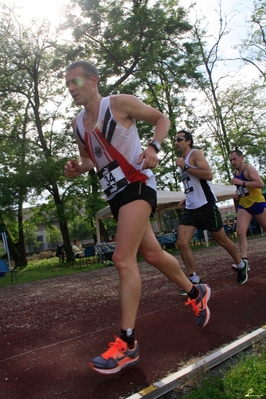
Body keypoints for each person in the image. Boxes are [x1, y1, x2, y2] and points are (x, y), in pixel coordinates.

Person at [64, 60, 211, 375]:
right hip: (116, 196)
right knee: (154, 254)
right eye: (66, 84)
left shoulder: (119, 104)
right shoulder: (77, 124)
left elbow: (161, 118)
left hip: (139, 185)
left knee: (122, 259)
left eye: (74, 82)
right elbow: (90, 159)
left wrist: (154, 147)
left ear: (93, 80)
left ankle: (127, 343)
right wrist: (78, 169)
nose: (70, 89)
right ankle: (195, 290)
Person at [174, 130, 248, 290]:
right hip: (191, 207)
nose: (176, 142)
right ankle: (193, 278)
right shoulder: (182, 161)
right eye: (175, 140)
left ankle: (241, 264)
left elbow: (208, 175)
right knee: (182, 242)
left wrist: (185, 166)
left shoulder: (195, 154)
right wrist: (188, 197)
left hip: (205, 206)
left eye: (179, 139)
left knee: (222, 240)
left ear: (188, 141)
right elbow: (193, 183)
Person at [229, 149, 266, 269]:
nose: (232, 162)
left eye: (234, 159)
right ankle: (244, 262)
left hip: (257, 203)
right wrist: (238, 192)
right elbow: (242, 187)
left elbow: (260, 183)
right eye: (230, 160)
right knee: (240, 231)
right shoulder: (235, 173)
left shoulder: (249, 169)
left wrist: (242, 183)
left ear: (241, 157)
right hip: (244, 204)